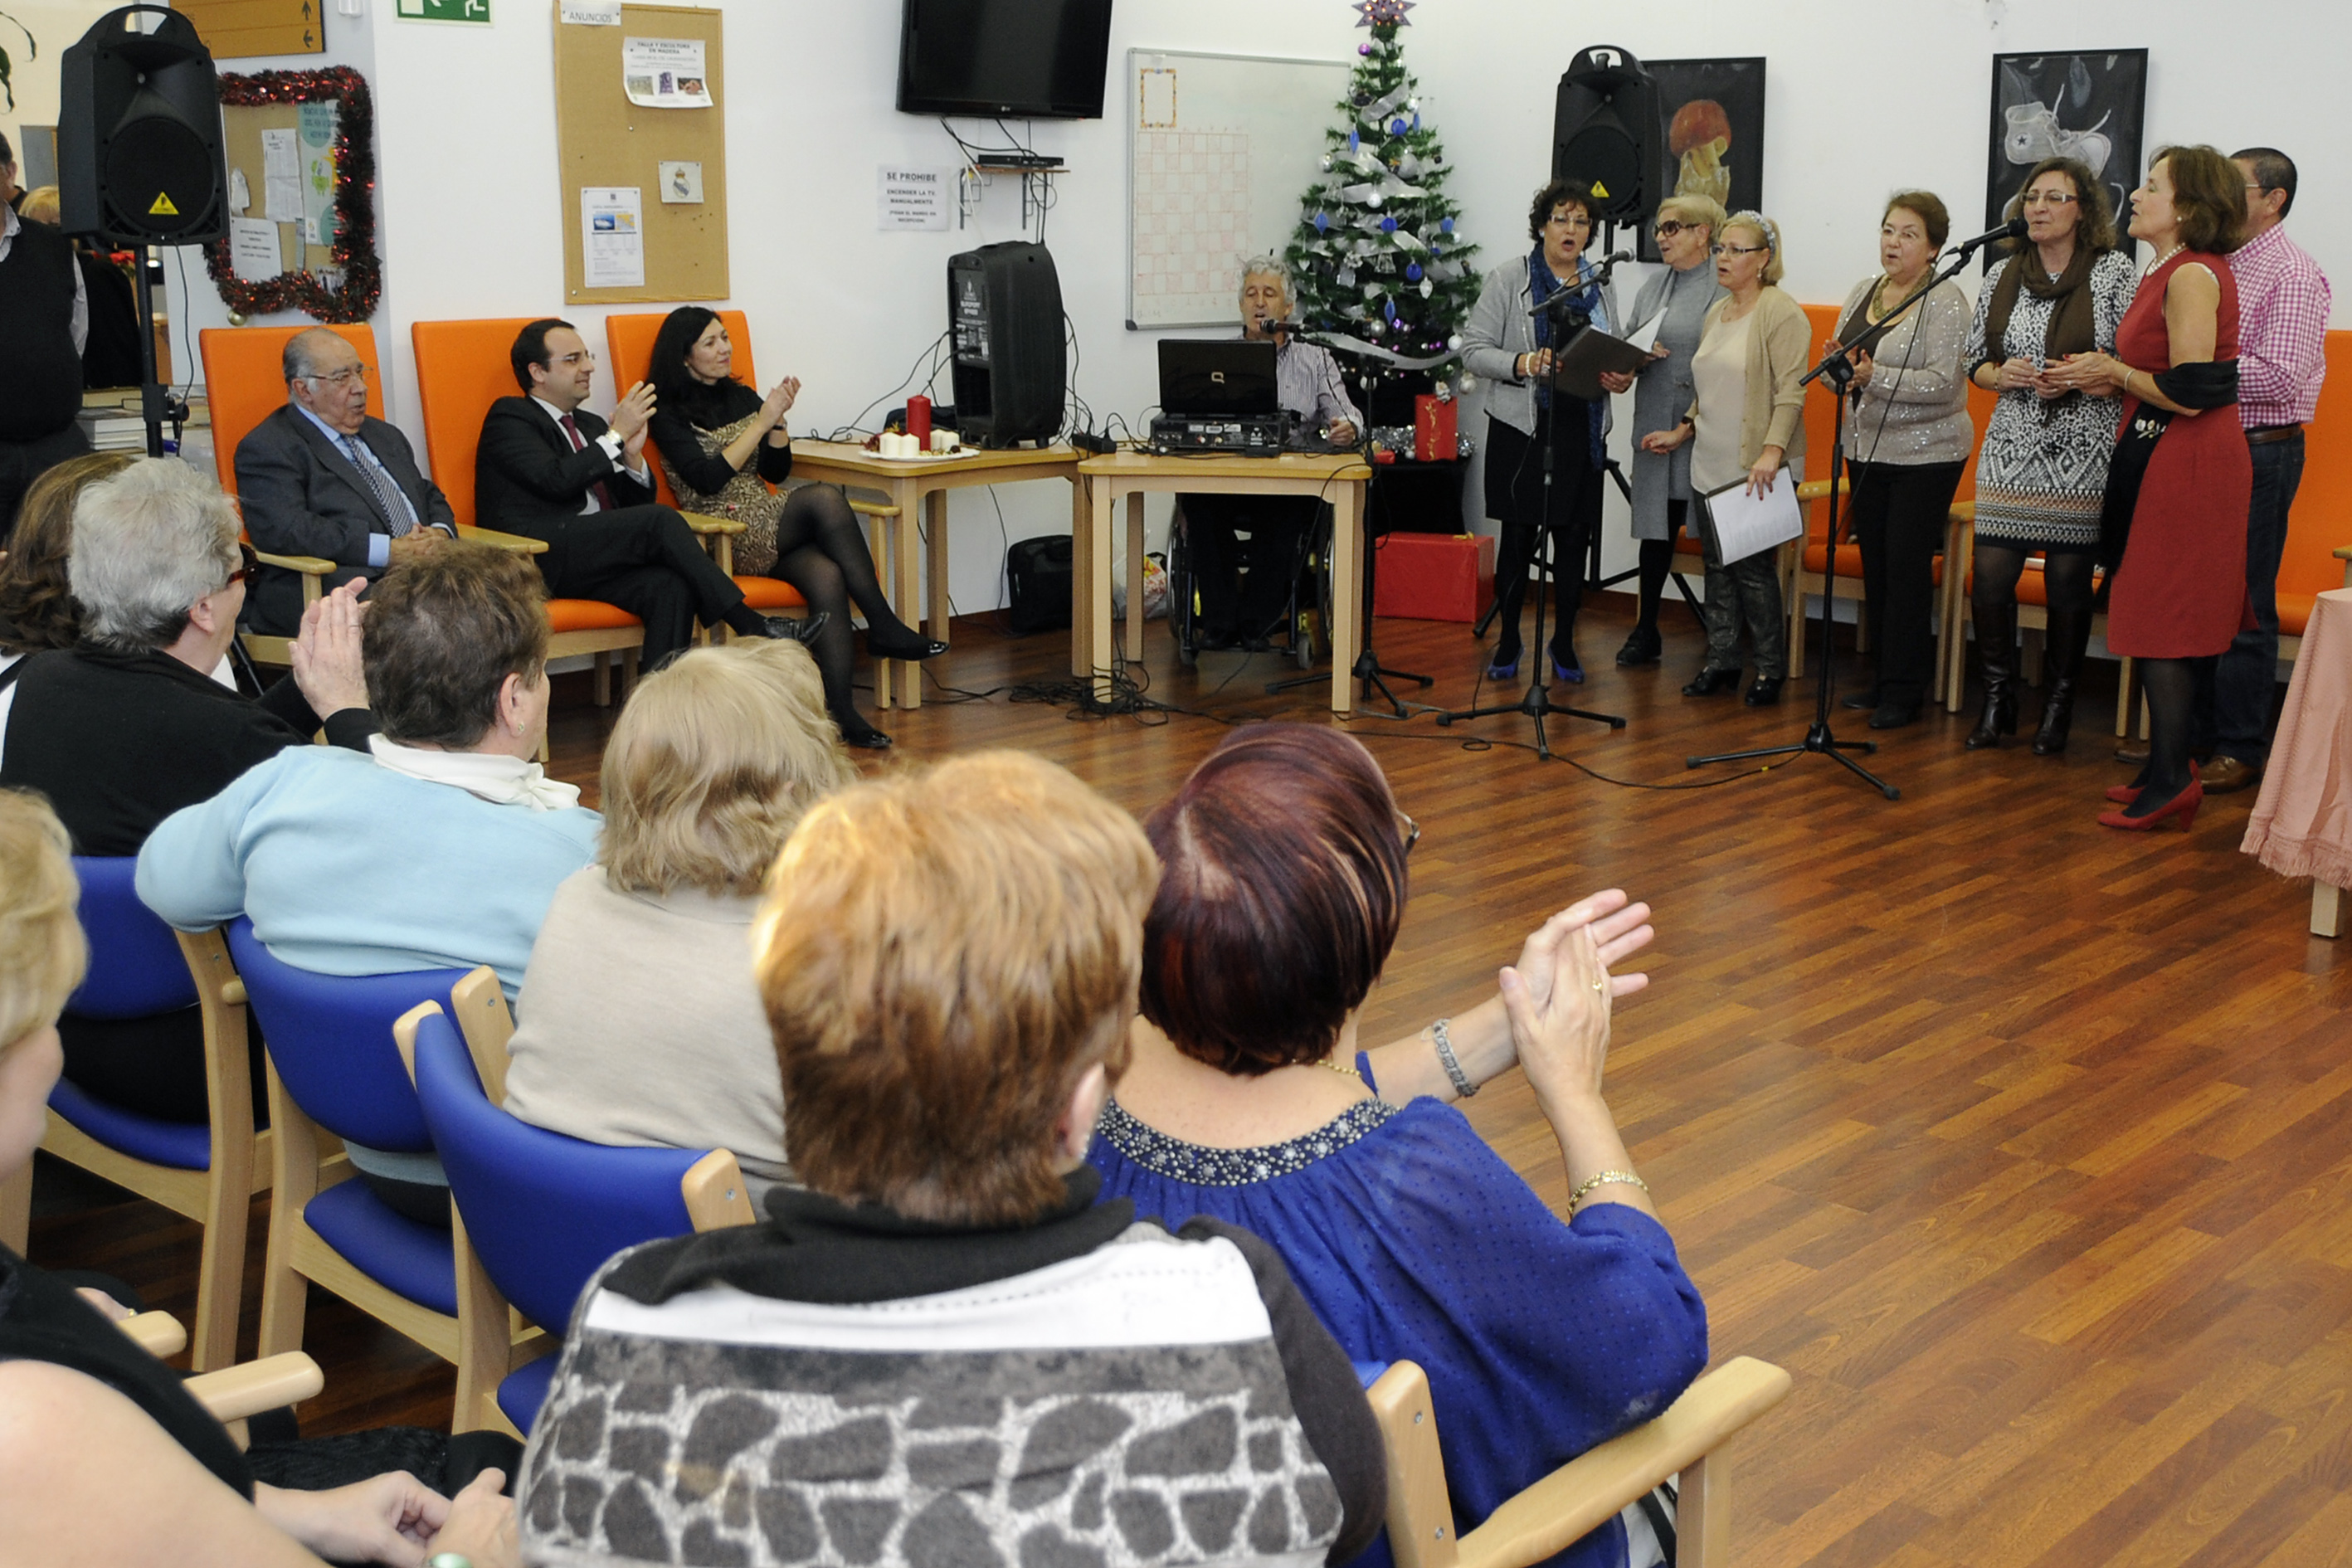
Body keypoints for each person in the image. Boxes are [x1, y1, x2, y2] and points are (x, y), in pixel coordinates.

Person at [515, 752, 1387, 1568]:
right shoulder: (1231, 1311)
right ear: (1082, 1105)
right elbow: (1349, 1522)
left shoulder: (633, 1320)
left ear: (794, 1064)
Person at [1089, 726, 1703, 1568]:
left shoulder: (1086, 1091)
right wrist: (1575, 1095)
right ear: (1367, 943)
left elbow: (1292, 1116)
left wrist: (1497, 1033)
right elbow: (1650, 1340)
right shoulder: (1414, 1184)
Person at [0, 789, 523, 1568]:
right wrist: (466, 1559)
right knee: (501, 1467)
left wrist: (295, 1512)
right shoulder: (36, 1433)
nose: (56, 1052)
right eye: (46, 1017)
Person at [138, 542, 601, 1217]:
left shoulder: (285, 786)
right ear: (513, 699)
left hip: (361, 1157)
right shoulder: (581, 858)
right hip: (522, 1193)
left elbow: (163, 884)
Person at [502, 636, 852, 1195]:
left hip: (542, 1239)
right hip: (733, 1266)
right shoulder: (802, 972)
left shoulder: (573, 898)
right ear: (787, 786)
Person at [0, 458, 373, 859]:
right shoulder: (226, 739)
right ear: (203, 609)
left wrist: (309, 675)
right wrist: (345, 704)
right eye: (243, 568)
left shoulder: (45, 680)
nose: (247, 582)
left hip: (65, 918)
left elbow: (207, 745)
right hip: (182, 922)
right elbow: (383, 818)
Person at [2052, 146, 2251, 833]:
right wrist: (2106, 375)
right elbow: (2162, 374)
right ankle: (2166, 762)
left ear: (2188, 208)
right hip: (2159, 446)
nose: (2134, 195)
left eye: (2150, 186)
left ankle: (2171, 780)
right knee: (2154, 604)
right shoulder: (2163, 268)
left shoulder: (2192, 273)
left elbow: (2192, 392)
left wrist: (2114, 369)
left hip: (2188, 458)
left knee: (2166, 615)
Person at [645, 306, 944, 748]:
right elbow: (705, 479)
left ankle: (841, 711)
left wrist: (779, 422)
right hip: (717, 529)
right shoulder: (666, 412)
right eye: (710, 342)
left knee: (827, 572)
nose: (724, 348)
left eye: (725, 337)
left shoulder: (742, 397)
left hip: (765, 516)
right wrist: (763, 421)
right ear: (684, 357)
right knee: (823, 497)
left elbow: (777, 472)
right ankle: (882, 625)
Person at [473, 318, 820, 673]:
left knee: (670, 586)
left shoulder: (593, 426)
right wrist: (615, 438)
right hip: (537, 557)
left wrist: (632, 456)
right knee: (661, 519)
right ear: (538, 372)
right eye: (573, 359)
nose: (589, 367)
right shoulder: (510, 417)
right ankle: (749, 622)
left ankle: (655, 714)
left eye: (587, 356)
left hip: (593, 556)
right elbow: (557, 481)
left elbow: (636, 509)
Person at [1956, 158, 2135, 753]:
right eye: (2031, 197)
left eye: (2054, 197)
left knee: (2066, 583)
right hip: (2009, 445)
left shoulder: (2113, 273)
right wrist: (1996, 373)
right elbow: (1973, 361)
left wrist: (2085, 375)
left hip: (2082, 448)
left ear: (2083, 208)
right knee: (1990, 578)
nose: (2037, 208)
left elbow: (2132, 365)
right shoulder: (2002, 273)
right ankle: (1998, 699)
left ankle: (2057, 706)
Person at [2191, 149, 2330, 794]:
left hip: (2259, 447)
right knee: (2194, 594)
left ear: (2272, 199)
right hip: (2201, 441)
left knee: (2243, 599)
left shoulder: (2292, 274)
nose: (2216, 194)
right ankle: (2187, 740)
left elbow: (2279, 375)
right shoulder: (2209, 263)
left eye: (2232, 184)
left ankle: (2240, 747)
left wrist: (2193, 372)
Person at [1640, 212, 1809, 705]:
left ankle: (1770, 670)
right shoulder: (1718, 312)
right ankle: (1722, 661)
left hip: (1754, 465)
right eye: (1722, 249)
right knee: (1717, 565)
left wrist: (1772, 453)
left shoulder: (1780, 312)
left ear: (1764, 260)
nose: (1724, 258)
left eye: (1737, 250)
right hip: (1708, 459)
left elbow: (1791, 393)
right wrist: (1682, 429)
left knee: (1753, 571)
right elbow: (1706, 388)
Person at [1463, 179, 1624, 684]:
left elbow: (1610, 346)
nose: (1571, 229)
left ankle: (1564, 640)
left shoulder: (1600, 282)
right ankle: (1510, 638)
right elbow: (1473, 349)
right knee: (1518, 536)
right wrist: (1525, 361)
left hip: (1582, 424)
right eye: (1561, 218)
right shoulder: (1510, 278)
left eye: (1581, 221)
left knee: (1575, 537)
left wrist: (1620, 374)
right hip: (1523, 427)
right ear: (1542, 225)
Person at [1828, 192, 1975, 729]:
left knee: (1906, 569)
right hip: (1864, 450)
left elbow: (1942, 384)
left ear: (1934, 247)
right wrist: (1835, 369)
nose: (1893, 242)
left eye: (1908, 234)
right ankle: (1884, 678)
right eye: (1888, 230)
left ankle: (1905, 690)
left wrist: (1874, 377)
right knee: (1878, 570)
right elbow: (1842, 369)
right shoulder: (1862, 292)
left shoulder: (1946, 300)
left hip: (1926, 455)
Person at [1176, 257, 1364, 652]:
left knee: (1286, 514)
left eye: (1269, 293)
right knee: (1195, 502)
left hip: (1287, 485)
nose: (1259, 302)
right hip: (1227, 481)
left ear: (1288, 307)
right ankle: (1220, 622)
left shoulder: (1316, 360)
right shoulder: (1215, 361)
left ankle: (1256, 624)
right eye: (1251, 294)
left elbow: (1347, 414)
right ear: (1242, 305)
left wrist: (1350, 427)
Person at [236, 328, 459, 637]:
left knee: (505, 587)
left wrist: (439, 533)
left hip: (424, 571)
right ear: (303, 390)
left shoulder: (384, 435)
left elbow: (426, 492)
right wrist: (387, 551)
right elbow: (286, 530)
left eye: (360, 373)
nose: (360, 388)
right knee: (434, 617)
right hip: (337, 581)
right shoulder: (270, 447)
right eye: (342, 378)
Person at [1616, 192, 1726, 668]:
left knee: (1710, 534)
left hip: (1704, 427)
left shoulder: (1723, 288)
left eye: (1672, 227)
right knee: (1656, 533)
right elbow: (1627, 346)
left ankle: (1724, 637)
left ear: (1703, 233)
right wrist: (1632, 360)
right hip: (1656, 420)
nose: (1661, 237)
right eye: (1659, 229)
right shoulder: (1653, 288)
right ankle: (1646, 629)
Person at [0, 133, 90, 538]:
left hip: (56, 447)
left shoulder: (53, 248)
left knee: (64, 572)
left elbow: (75, 333)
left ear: (9, 174)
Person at [18, 183, 144, 391]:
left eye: (54, 227)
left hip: (100, 395)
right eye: (35, 227)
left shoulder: (97, 275)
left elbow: (116, 349)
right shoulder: (27, 279)